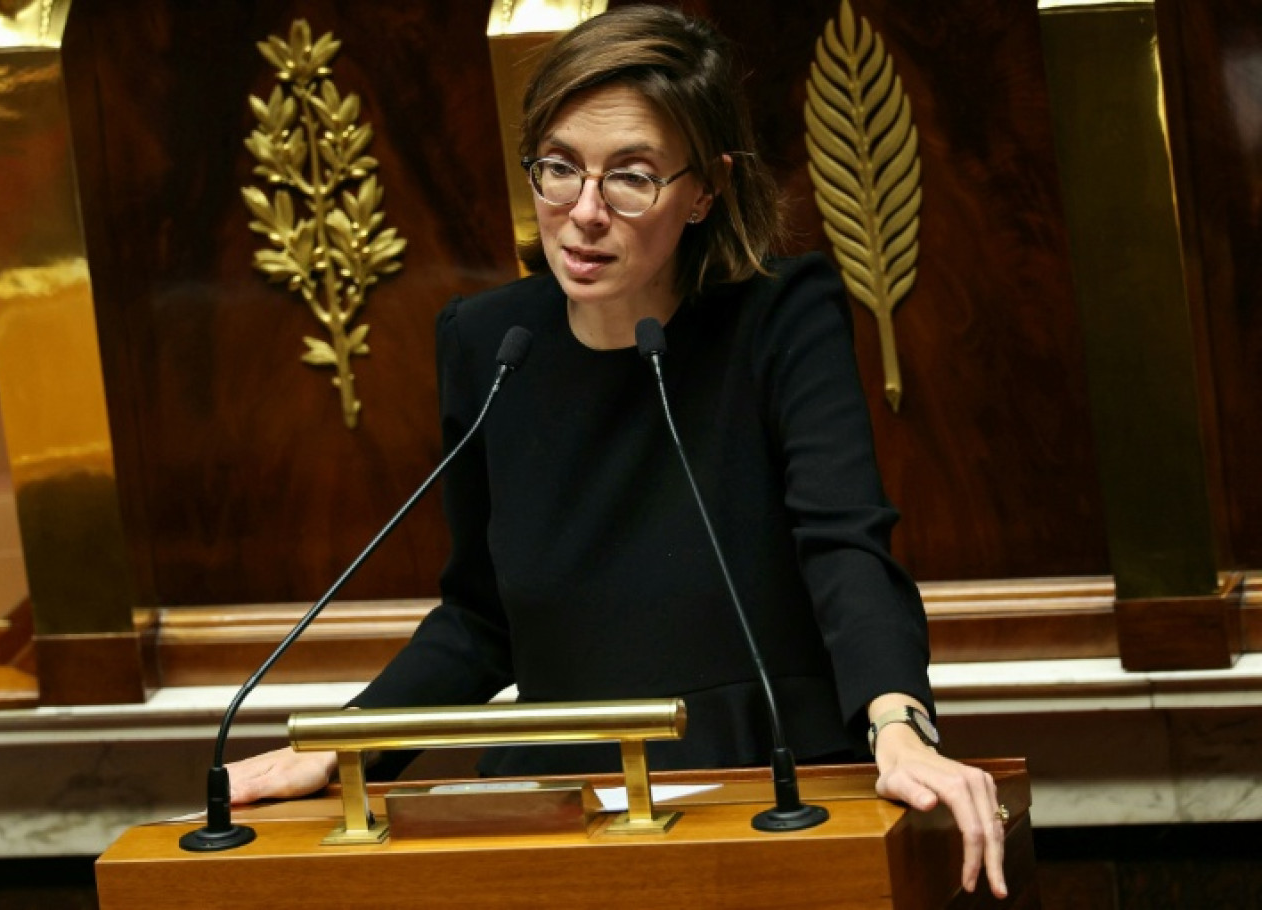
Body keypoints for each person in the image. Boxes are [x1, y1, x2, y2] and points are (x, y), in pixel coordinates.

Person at [228, 4, 1007, 897]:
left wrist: (897, 724)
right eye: (558, 169)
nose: (584, 213)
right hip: (560, 808)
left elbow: (843, 545)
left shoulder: (780, 317)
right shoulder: (489, 343)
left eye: (631, 178)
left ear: (705, 188)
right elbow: (483, 619)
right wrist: (342, 743)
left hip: (771, 782)